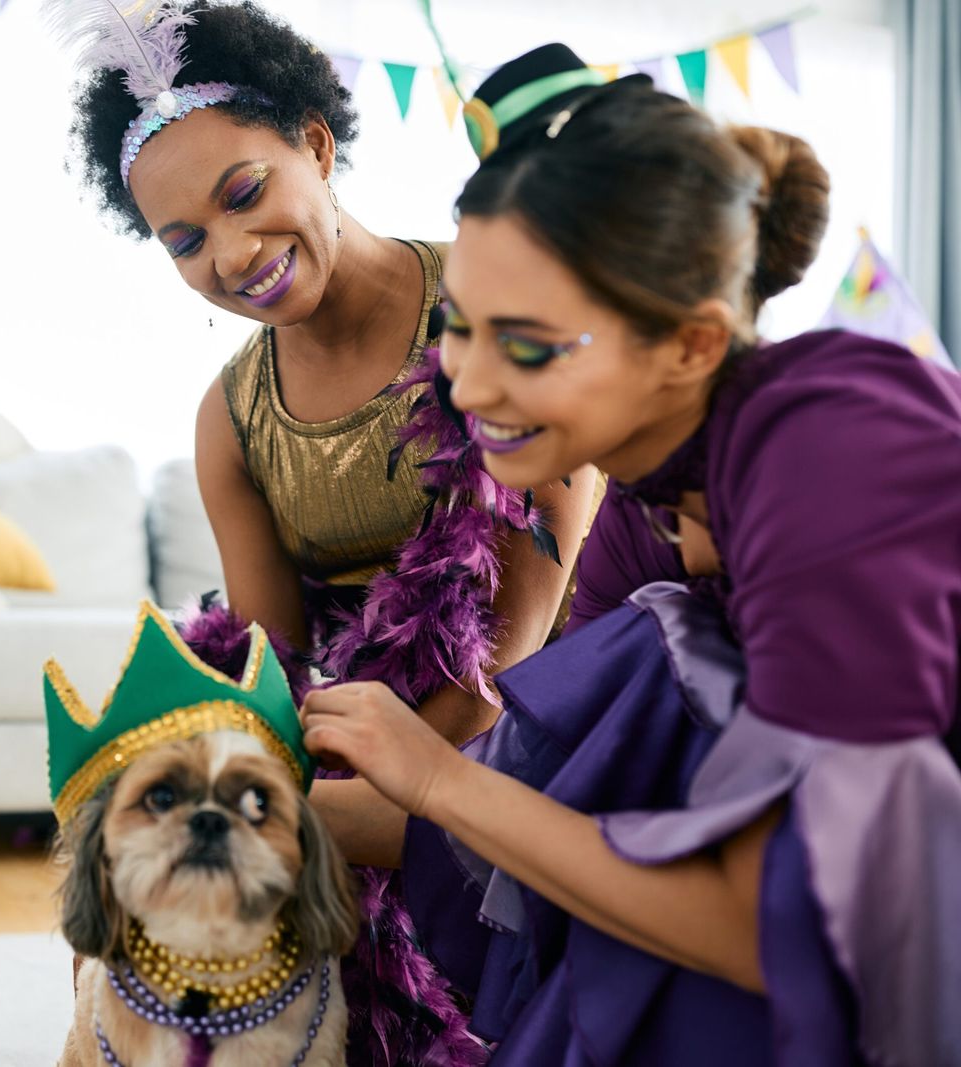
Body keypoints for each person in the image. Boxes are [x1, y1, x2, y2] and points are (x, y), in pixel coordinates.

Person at [302, 42, 961, 1065]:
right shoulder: (638, 499)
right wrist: (288, 810)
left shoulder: (832, 444)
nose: (468, 388)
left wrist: (436, 779)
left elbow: (779, 931)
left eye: (526, 343)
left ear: (694, 344)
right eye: (459, 329)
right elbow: (571, 812)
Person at [58, 5, 592, 1062]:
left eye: (245, 193)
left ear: (314, 142)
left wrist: (339, 810)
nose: (233, 252)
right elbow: (272, 664)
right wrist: (268, 801)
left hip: (536, 698)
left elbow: (513, 638)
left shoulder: (491, 305)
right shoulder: (231, 417)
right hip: (349, 720)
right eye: (185, 240)